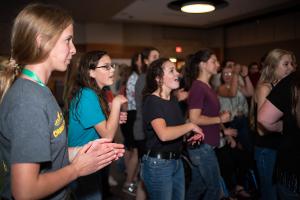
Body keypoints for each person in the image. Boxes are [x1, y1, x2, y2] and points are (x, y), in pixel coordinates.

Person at [0, 4, 124, 199]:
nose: (74, 50)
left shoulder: (41, 91)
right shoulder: (28, 100)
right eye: (68, 40)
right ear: (41, 41)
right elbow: (25, 191)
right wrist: (76, 169)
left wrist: (83, 151)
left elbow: (49, 155)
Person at [66, 50, 127, 199]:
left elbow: (100, 124)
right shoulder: (87, 95)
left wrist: (113, 117)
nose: (112, 69)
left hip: (89, 158)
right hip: (81, 159)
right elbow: (107, 134)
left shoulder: (95, 93)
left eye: (111, 65)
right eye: (106, 67)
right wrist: (117, 103)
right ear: (91, 72)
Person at [141, 58, 204, 200]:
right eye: (171, 71)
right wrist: (191, 125)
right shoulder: (152, 101)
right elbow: (163, 134)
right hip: (158, 165)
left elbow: (176, 129)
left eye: (176, 70)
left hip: (176, 161)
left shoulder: (173, 100)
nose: (178, 74)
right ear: (158, 78)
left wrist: (189, 134)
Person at [184, 49, 235, 200]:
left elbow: (207, 115)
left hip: (204, 144)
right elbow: (194, 119)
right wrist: (220, 119)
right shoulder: (199, 87)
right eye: (214, 61)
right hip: (202, 146)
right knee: (214, 189)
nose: (218, 64)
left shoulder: (207, 86)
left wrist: (221, 121)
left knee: (198, 186)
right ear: (202, 65)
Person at [253, 49, 294, 200]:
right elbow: (262, 129)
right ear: (272, 66)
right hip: (266, 149)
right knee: (270, 193)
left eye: (292, 63)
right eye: (286, 64)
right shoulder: (265, 87)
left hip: (280, 148)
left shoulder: (287, 87)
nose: (291, 67)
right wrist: (287, 126)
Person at [133, 47, 159, 199]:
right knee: (146, 175)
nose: (158, 59)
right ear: (147, 61)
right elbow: (146, 107)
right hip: (143, 130)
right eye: (154, 57)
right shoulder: (144, 79)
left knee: (147, 175)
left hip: (149, 130)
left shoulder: (151, 79)